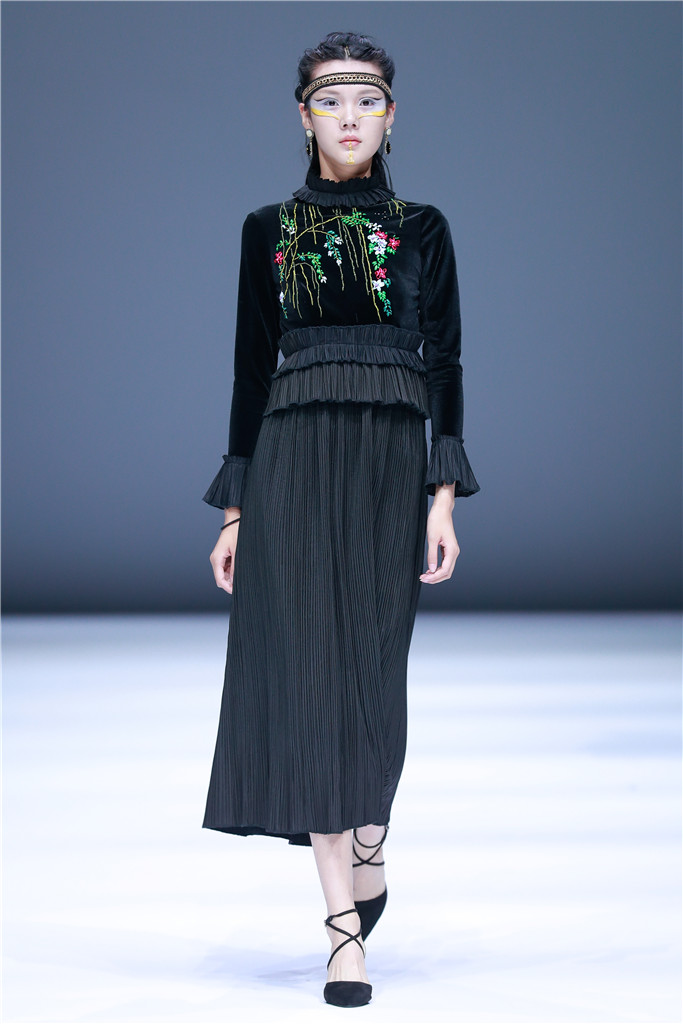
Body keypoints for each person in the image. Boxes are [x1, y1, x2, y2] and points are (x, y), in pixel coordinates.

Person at [200, 31, 480, 1008]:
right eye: (330, 98)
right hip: (292, 457)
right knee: (314, 678)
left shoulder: (422, 228)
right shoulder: (266, 229)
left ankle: (369, 832)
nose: (349, 116)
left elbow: (444, 359)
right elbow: (248, 369)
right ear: (304, 114)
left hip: (389, 460)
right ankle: (340, 934)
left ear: (391, 115)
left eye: (366, 99)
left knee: (372, 673)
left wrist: (442, 496)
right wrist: (235, 509)